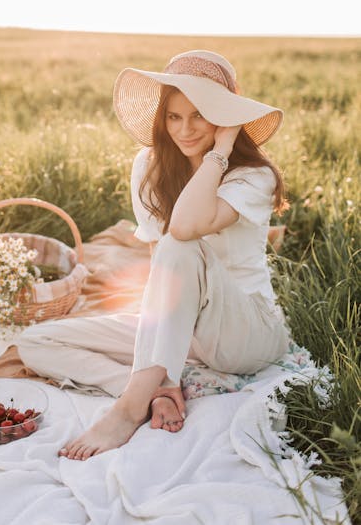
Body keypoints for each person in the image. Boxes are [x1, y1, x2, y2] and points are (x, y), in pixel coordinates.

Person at [16, 49, 289, 460]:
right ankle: (148, 390)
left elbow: (184, 229)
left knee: (179, 243)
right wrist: (162, 368)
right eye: (174, 116)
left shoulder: (254, 174)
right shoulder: (149, 165)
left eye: (200, 114)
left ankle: (126, 411)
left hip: (246, 333)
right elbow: (158, 266)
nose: (185, 129)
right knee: (35, 341)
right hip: (188, 331)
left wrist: (221, 148)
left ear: (225, 114)